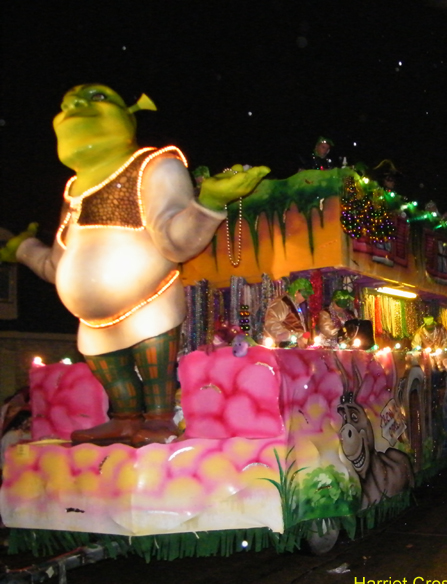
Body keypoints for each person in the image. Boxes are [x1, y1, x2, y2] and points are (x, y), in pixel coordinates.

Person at [0, 84, 268, 446]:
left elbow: (175, 240)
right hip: (93, 324)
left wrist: (210, 203)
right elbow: (55, 264)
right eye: (67, 104)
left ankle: (159, 418)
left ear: (130, 113)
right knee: (117, 382)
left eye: (95, 98)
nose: (76, 106)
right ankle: (123, 419)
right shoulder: (74, 191)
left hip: (150, 306)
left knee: (155, 375)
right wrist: (24, 249)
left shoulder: (154, 165)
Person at [263, 278, 313, 347]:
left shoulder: (294, 304)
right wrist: (291, 337)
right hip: (284, 349)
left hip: (295, 348)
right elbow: (271, 323)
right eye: (305, 295)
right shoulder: (282, 303)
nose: (305, 298)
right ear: (297, 292)